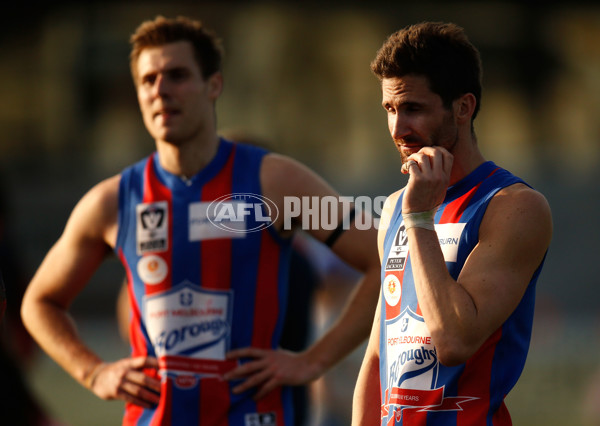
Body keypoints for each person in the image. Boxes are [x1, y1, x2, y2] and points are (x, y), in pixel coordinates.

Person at [21, 15, 381, 426]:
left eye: (177, 75)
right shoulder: (111, 202)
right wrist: (94, 371)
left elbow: (381, 257)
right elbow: (38, 302)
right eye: (148, 80)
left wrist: (312, 362)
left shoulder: (276, 181)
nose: (160, 91)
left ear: (214, 85)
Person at [352, 22, 552, 425]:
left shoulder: (513, 206)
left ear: (463, 107)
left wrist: (420, 219)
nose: (398, 128)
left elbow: (455, 340)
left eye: (413, 109)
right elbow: (379, 356)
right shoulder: (396, 208)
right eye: (390, 109)